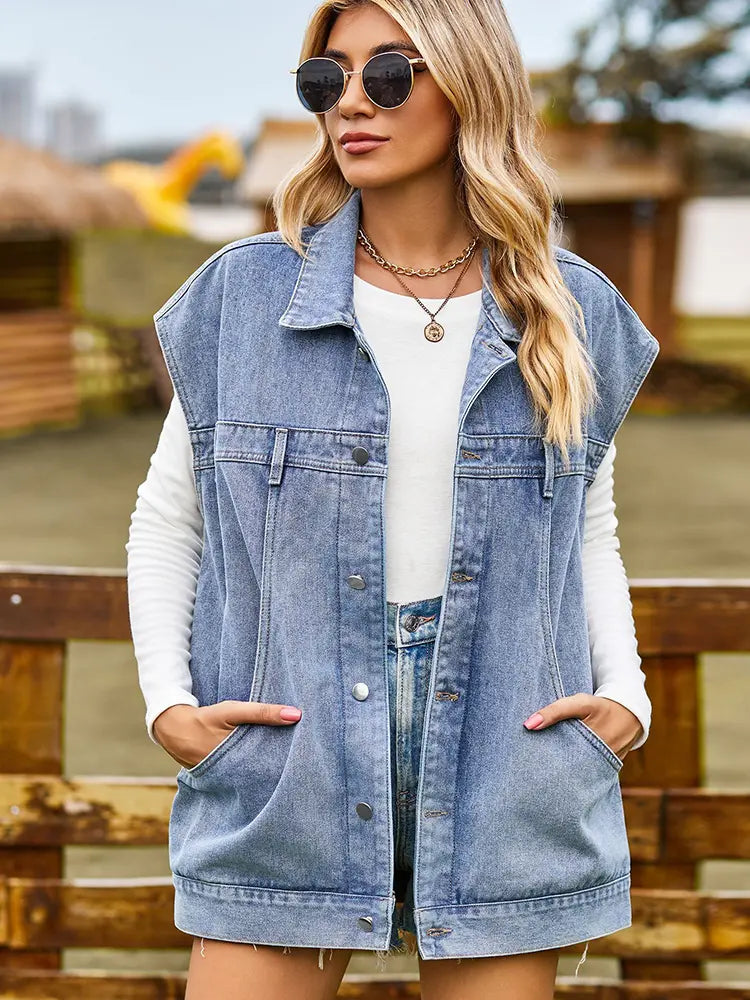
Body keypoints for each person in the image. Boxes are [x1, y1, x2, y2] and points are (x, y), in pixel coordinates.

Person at [125, 1, 660, 997]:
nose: (351, 105)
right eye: (327, 80)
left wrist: (624, 694)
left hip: (511, 755)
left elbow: (589, 525)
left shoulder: (567, 308)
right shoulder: (245, 298)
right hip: (289, 760)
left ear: (470, 84)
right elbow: (170, 518)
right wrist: (170, 703)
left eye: (390, 74)